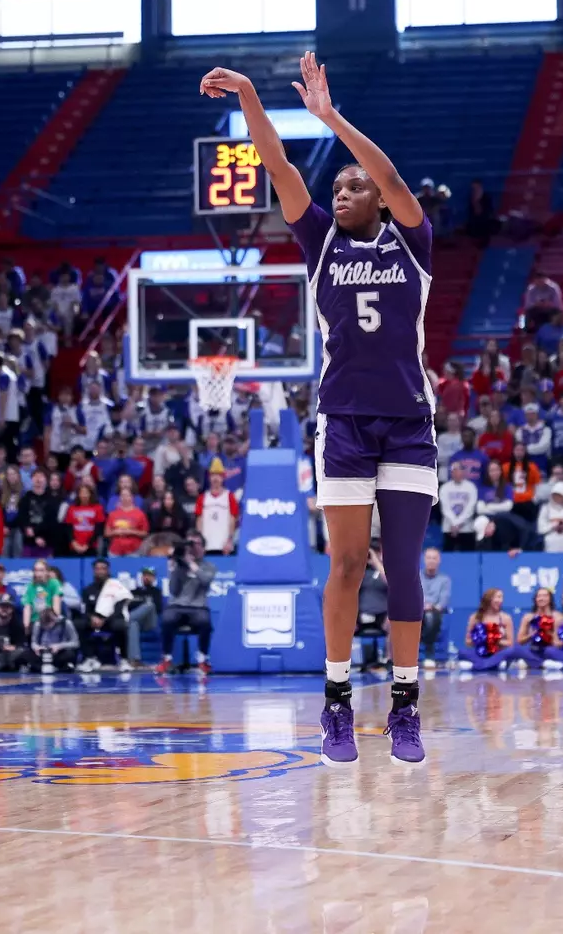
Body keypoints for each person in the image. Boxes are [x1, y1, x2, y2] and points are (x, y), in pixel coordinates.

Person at [201, 52, 434, 767]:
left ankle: (404, 709)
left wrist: (331, 119)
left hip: (409, 423)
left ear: (379, 199)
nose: (344, 192)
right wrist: (249, 94)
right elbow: (277, 165)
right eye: (338, 185)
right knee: (347, 563)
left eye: (355, 186)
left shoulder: (414, 241)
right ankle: (336, 703)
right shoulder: (320, 240)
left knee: (403, 566)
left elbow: (393, 178)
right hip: (344, 422)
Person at [155, 535, 217, 673]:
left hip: (198, 607)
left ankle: (202, 659)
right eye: (189, 544)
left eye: (195, 544)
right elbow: (173, 590)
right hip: (176, 606)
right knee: (167, 620)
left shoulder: (209, 566)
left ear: (203, 548)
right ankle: (166, 659)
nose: (191, 547)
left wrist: (191, 563)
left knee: (205, 622)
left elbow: (205, 580)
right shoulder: (179, 566)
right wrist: (172, 569)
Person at [79, 559, 134, 671]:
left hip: (111, 619)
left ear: (108, 570)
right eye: (97, 569)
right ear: (93, 571)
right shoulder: (88, 590)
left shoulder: (116, 586)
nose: (100, 571)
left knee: (120, 625)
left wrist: (105, 619)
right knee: (79, 624)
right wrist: (92, 618)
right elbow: (85, 610)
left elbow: (119, 608)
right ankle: (90, 658)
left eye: (103, 568)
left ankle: (124, 659)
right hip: (95, 621)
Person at [455, 588, 525, 671]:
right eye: (498, 597)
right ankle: (491, 665)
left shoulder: (506, 618)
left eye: (502, 597)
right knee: (462, 652)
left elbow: (510, 643)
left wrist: (494, 640)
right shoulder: (475, 617)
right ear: (488, 599)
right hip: (480, 653)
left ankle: (480, 665)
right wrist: (481, 640)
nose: (501, 600)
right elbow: (467, 642)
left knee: (513, 651)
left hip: (497, 654)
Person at [126, 564, 163, 666]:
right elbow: (128, 606)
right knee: (133, 624)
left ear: (154, 578)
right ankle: (135, 659)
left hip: (150, 622)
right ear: (141, 577)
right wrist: (143, 602)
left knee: (150, 605)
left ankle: (127, 619)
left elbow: (158, 608)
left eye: (150, 576)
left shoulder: (156, 592)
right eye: (145, 575)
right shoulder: (133, 592)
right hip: (137, 620)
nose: (147, 577)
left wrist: (141, 603)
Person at [439, 461, 479, 553]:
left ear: (463, 471)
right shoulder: (445, 488)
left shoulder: (471, 487)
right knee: (448, 556)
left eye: (458, 469)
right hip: (449, 528)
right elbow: (445, 508)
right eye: (454, 470)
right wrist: (454, 523)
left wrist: (458, 523)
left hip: (467, 529)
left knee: (468, 556)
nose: (456, 472)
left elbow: (471, 508)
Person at [420, 548, 450, 667]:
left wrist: (431, 606)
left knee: (430, 616)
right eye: (429, 558)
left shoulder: (445, 580)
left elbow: (442, 602)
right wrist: (422, 606)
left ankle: (429, 651)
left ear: (439, 560)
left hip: (435, 612)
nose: (431, 561)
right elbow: (411, 597)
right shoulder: (416, 576)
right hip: (417, 612)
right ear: (424, 560)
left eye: (434, 558)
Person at [27, 605, 81, 672]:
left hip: (59, 653)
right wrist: (36, 647)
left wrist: (59, 646)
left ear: (54, 619)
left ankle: (60, 667)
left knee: (69, 654)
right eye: (44, 625)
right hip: (43, 652)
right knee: (27, 654)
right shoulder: (38, 624)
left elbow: (76, 643)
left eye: (48, 624)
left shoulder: (66, 623)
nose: (46, 628)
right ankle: (39, 667)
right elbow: (33, 642)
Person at [22, 558, 64, 629]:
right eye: (36, 570)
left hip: (50, 620)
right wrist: (26, 626)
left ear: (47, 571)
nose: (38, 574)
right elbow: (27, 607)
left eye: (41, 570)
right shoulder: (30, 586)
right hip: (35, 622)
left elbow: (56, 604)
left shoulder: (54, 583)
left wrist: (56, 622)